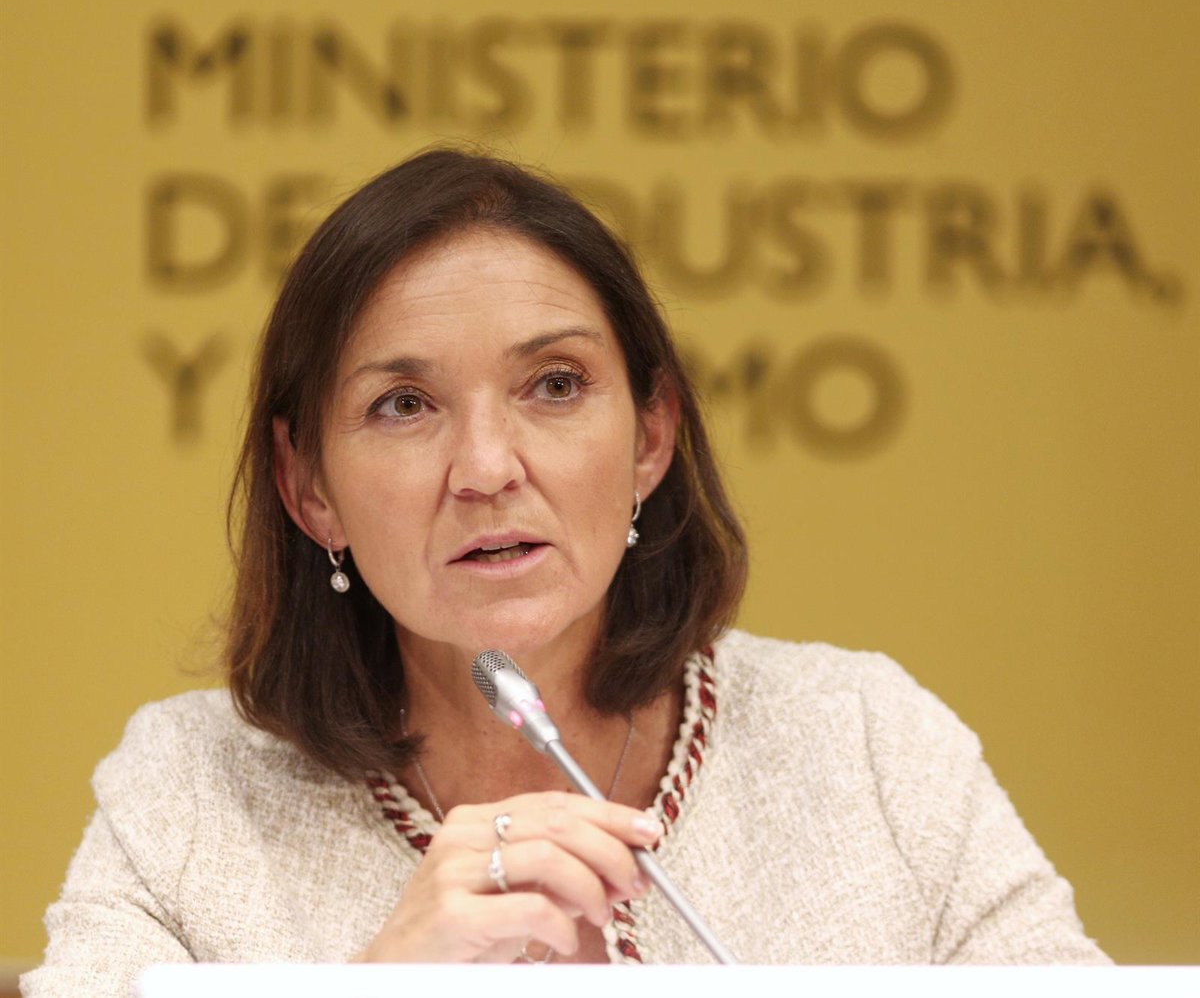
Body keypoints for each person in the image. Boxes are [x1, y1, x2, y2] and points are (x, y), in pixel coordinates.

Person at [23, 149, 1107, 995]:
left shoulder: (870, 745)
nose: (488, 469)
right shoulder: (189, 798)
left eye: (553, 384)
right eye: (404, 404)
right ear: (309, 488)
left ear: (651, 435)